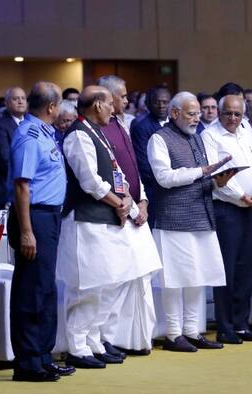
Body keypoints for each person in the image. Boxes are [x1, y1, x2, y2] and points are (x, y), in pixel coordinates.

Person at [57, 86, 161, 368]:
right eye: (110, 104)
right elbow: (90, 181)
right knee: (87, 288)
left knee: (107, 284)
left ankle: (94, 341)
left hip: (108, 220)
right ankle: (77, 347)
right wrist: (119, 202)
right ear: (97, 105)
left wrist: (129, 200)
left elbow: (116, 173)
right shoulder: (79, 134)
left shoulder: (98, 132)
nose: (114, 109)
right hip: (86, 221)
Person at [148, 91, 231, 352]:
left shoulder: (197, 138)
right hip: (173, 218)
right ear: (175, 113)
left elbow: (203, 176)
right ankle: (173, 334)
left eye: (198, 114)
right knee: (174, 279)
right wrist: (201, 172)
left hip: (202, 214)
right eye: (191, 114)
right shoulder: (159, 139)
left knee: (198, 276)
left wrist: (218, 181)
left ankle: (193, 331)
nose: (197, 119)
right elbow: (164, 177)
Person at [7, 82, 75, 382]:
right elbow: (22, 186)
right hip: (34, 217)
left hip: (50, 216)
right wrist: (26, 231)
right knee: (32, 289)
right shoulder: (30, 135)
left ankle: (44, 356)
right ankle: (28, 360)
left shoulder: (46, 133)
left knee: (46, 287)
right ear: (51, 107)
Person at [97, 75, 157, 355]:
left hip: (135, 208)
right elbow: (106, 176)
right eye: (121, 96)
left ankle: (134, 339)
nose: (125, 100)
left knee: (138, 277)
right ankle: (107, 339)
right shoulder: (98, 130)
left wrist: (142, 201)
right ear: (107, 98)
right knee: (116, 280)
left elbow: (133, 169)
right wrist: (129, 204)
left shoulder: (122, 124)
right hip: (116, 212)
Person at [201, 95, 252, 344]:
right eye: (228, 113)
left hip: (250, 208)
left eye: (237, 114)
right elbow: (216, 173)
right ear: (219, 113)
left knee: (244, 268)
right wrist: (242, 196)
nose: (232, 118)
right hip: (227, 209)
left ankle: (241, 324)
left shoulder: (246, 131)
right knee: (226, 269)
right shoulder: (210, 135)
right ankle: (225, 326)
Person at [130, 86, 171, 226]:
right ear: (148, 104)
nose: (161, 106)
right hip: (153, 188)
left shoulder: (174, 123)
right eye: (157, 102)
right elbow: (143, 163)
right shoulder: (141, 126)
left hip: (173, 187)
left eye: (165, 102)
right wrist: (169, 179)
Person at [0, 86, 27, 209]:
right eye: (15, 99)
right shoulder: (0, 125)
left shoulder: (30, 123)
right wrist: (28, 173)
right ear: (6, 103)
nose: (20, 101)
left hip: (28, 187)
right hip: (7, 187)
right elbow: (4, 158)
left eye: (23, 98)